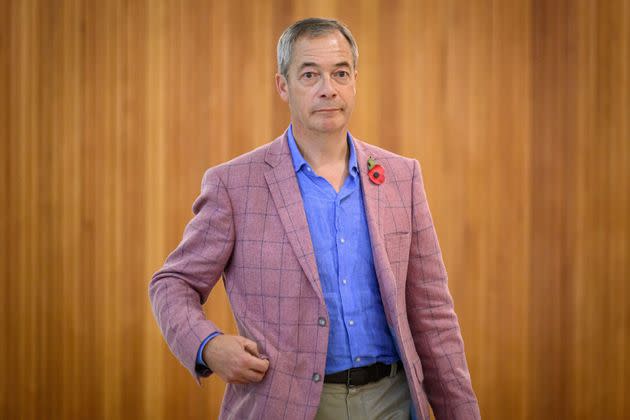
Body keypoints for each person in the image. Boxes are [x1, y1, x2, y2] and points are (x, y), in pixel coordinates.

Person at [149, 17, 480, 420]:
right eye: (310, 74)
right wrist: (208, 345)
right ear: (282, 86)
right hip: (286, 406)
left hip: (392, 402)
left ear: (355, 80)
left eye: (340, 73)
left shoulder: (401, 178)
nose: (328, 88)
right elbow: (172, 283)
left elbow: (433, 317)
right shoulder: (234, 185)